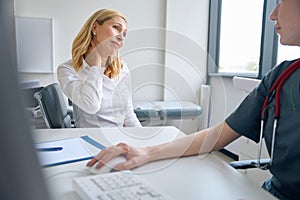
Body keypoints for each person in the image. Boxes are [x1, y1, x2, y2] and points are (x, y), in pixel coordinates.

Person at [87, 1, 300, 199]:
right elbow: (218, 135)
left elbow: (126, 110)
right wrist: (146, 151)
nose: (272, 14)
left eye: (281, 1)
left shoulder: (121, 68)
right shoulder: (280, 77)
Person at [57, 9, 142, 128]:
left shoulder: (122, 68)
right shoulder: (67, 70)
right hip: (90, 140)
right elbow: (91, 106)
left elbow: (128, 115)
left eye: (124, 33)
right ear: (95, 28)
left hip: (120, 139)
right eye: (116, 27)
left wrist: (143, 143)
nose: (121, 37)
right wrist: (96, 65)